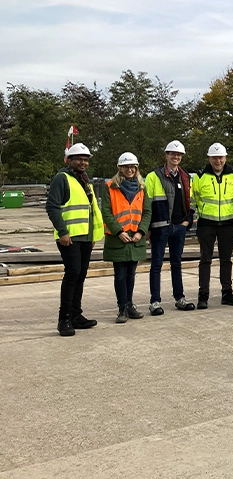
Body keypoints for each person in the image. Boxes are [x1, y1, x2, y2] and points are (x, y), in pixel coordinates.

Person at [46, 143, 104, 336]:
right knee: (72, 274)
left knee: (80, 275)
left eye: (86, 160)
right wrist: (63, 232)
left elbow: (90, 210)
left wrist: (92, 235)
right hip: (69, 237)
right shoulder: (62, 179)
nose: (83, 163)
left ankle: (76, 315)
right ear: (69, 160)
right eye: (79, 159)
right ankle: (64, 319)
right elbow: (52, 207)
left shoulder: (84, 181)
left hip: (85, 237)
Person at [144, 140, 196, 315]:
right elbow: (147, 204)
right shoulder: (153, 176)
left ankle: (179, 297)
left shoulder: (185, 176)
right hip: (160, 227)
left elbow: (192, 201)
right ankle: (155, 301)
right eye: (173, 154)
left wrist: (187, 222)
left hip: (179, 227)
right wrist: (148, 228)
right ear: (166, 155)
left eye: (179, 154)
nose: (176, 157)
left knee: (176, 264)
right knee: (156, 265)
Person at [101, 152, 151, 323]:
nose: (130, 170)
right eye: (126, 167)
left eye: (133, 167)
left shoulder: (142, 188)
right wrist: (118, 232)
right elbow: (106, 212)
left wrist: (140, 232)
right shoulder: (109, 186)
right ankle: (122, 307)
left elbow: (147, 212)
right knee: (120, 274)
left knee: (131, 274)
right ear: (120, 168)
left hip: (135, 238)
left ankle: (129, 305)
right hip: (118, 238)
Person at [192, 142, 233, 309]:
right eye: (214, 158)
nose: (217, 161)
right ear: (209, 158)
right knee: (205, 260)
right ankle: (203, 295)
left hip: (227, 224)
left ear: (225, 158)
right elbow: (194, 199)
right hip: (206, 224)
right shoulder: (199, 177)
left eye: (220, 157)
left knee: (226, 260)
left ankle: (227, 293)